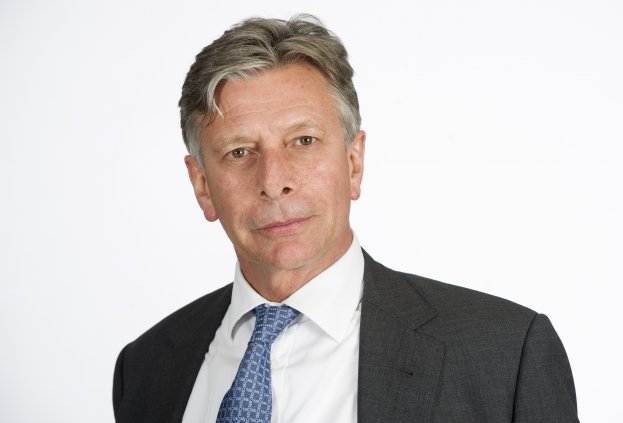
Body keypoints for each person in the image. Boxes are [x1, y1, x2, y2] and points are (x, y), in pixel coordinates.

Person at [113, 14, 579, 423]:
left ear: (354, 163)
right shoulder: (146, 369)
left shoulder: (506, 355)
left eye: (303, 141)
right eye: (239, 152)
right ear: (202, 186)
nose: (274, 181)